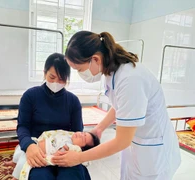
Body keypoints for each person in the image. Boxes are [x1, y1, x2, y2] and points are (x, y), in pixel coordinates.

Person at [52, 31, 181, 179]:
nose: (80, 74)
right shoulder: (111, 72)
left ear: (95, 59)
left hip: (153, 149)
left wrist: (79, 158)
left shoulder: (131, 79)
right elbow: (120, 106)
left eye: (79, 69)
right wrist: (99, 129)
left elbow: (122, 141)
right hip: (137, 146)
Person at [15, 53, 91, 180]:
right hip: (40, 150)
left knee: (73, 175)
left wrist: (72, 150)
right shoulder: (30, 96)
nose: (56, 82)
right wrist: (29, 146)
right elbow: (23, 126)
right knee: (40, 176)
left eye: (62, 79)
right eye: (52, 77)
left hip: (65, 150)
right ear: (45, 73)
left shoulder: (73, 101)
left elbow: (78, 132)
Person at [6, 130, 100, 180]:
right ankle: (14, 161)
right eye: (83, 133)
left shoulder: (71, 147)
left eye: (83, 139)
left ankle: (15, 176)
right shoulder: (67, 135)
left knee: (24, 161)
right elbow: (23, 127)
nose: (80, 135)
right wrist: (30, 144)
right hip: (34, 143)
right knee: (19, 150)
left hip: (46, 156)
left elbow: (62, 154)